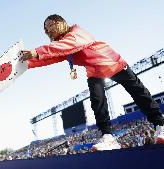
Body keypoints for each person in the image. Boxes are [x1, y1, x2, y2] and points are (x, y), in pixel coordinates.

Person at [20, 14, 164, 151]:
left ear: (60, 23)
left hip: (112, 62)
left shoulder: (77, 33)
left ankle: (160, 124)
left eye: (50, 25)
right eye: (45, 29)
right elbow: (50, 57)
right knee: (97, 102)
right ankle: (108, 137)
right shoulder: (61, 45)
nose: (48, 30)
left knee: (139, 93)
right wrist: (27, 64)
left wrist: (37, 51)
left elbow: (65, 46)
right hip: (95, 71)